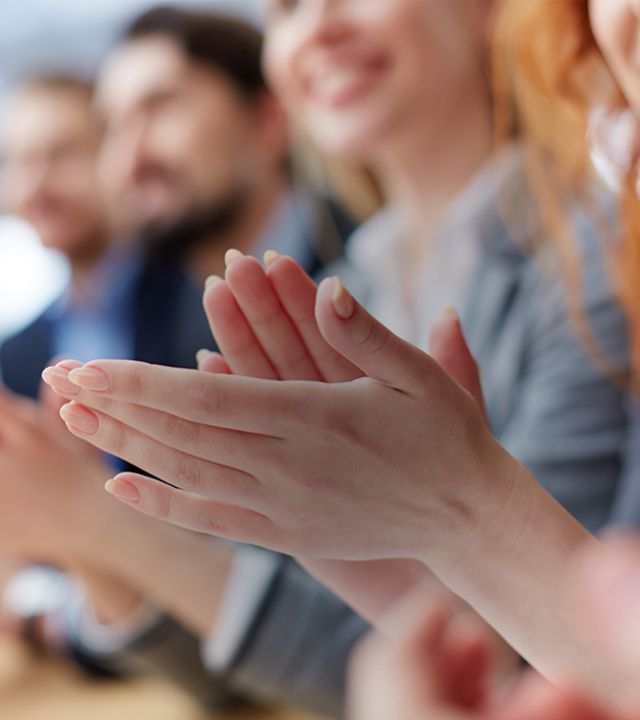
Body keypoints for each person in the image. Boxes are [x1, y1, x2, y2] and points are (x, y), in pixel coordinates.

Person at [40, 0, 640, 709]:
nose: (318, 26)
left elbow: (533, 667)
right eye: (287, 7)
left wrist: (97, 527)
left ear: (487, 10)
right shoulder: (344, 290)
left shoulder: (601, 251)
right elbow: (257, 674)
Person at [0, 8, 368, 717]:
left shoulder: (368, 279)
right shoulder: (173, 318)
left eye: (159, 108)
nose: (129, 157)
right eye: (113, 127)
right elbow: (217, 620)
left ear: (268, 122)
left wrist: (86, 530)